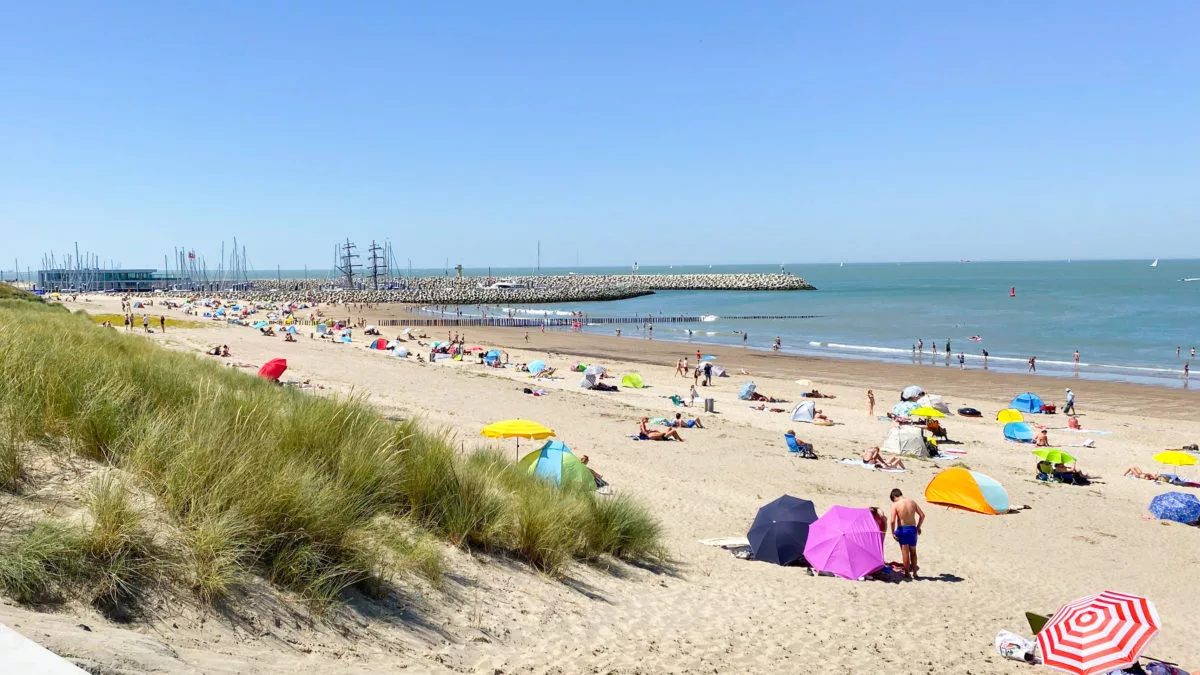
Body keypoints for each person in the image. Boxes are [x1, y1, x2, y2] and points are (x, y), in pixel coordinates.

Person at [889, 489, 925, 580]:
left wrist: (893, 532)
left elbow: (892, 521)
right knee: (913, 551)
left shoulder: (895, 504)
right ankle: (915, 574)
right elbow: (922, 515)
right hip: (912, 529)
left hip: (903, 529)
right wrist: (918, 527)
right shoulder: (912, 502)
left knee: (905, 551)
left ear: (894, 497)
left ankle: (907, 573)